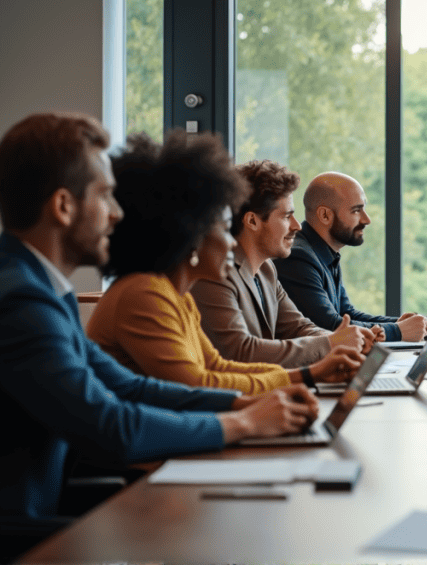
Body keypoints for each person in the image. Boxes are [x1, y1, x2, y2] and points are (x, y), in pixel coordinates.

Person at [0, 113, 321, 546]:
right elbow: (112, 426)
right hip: (23, 535)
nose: (116, 215)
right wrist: (243, 423)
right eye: (105, 196)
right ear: (63, 206)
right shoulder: (21, 301)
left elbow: (130, 388)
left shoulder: (42, 290)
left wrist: (246, 402)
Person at [87, 132, 364, 395]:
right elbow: (198, 386)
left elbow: (218, 368)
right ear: (190, 234)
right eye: (223, 226)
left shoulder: (176, 295)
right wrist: (255, 415)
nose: (232, 241)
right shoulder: (144, 294)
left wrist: (312, 373)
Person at [191, 160, 376, 368]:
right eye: (287, 217)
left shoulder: (266, 269)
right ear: (252, 221)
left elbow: (298, 327)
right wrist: (331, 343)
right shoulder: (215, 274)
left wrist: (345, 342)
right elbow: (240, 351)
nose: (297, 226)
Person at [275, 172, 427, 341]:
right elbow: (330, 326)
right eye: (356, 210)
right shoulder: (298, 258)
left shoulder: (325, 252)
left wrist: (406, 324)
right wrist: (396, 330)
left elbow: (346, 313)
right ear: (325, 215)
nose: (367, 219)